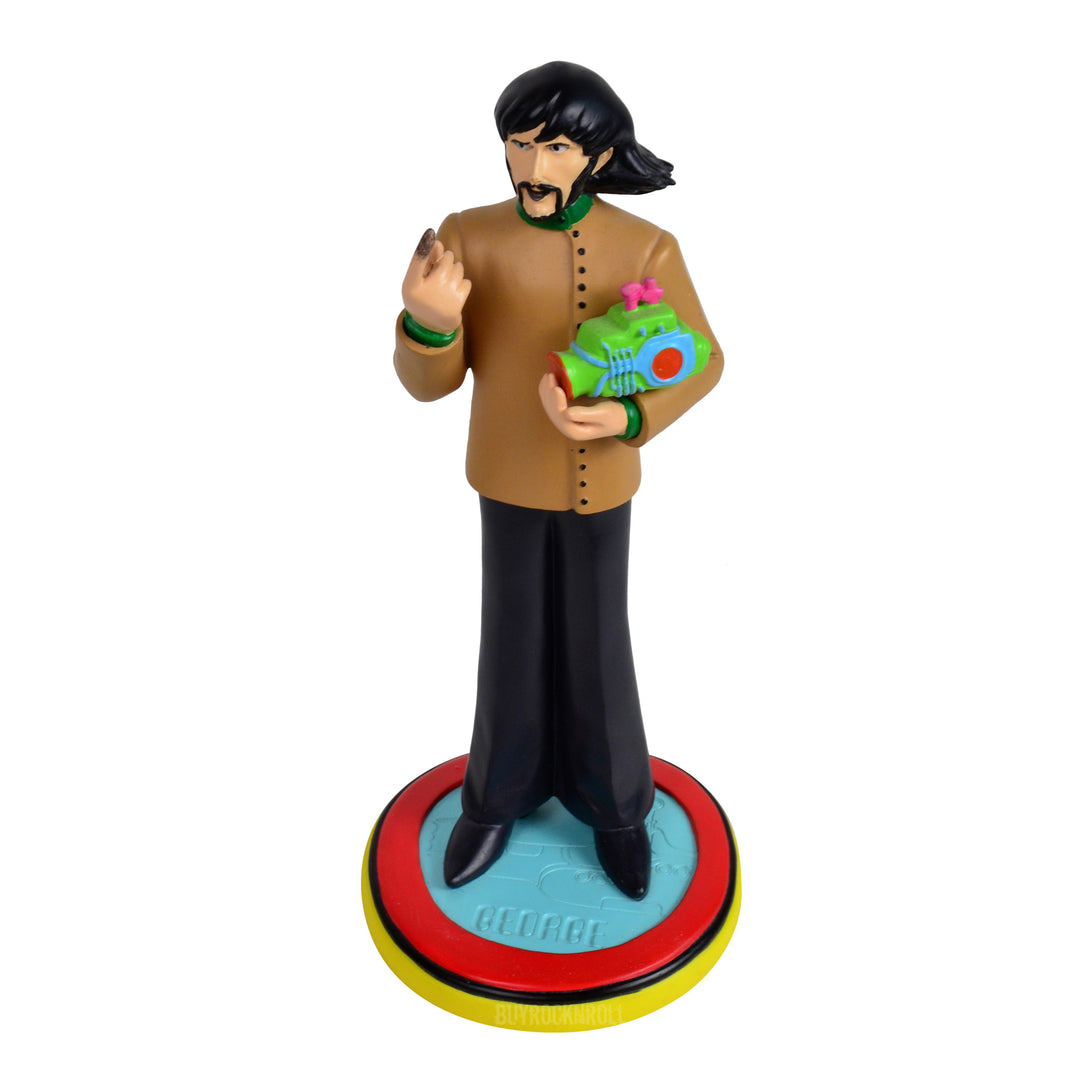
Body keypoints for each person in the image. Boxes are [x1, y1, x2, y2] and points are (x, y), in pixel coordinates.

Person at [393, 61, 723, 899]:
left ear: (600, 158)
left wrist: (631, 416)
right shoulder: (467, 236)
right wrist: (429, 326)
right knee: (508, 642)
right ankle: (495, 798)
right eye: (520, 143)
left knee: (599, 643)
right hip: (505, 475)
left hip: (600, 481)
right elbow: (431, 386)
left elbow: (704, 358)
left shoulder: (647, 246)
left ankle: (616, 806)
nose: (534, 167)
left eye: (559, 148)